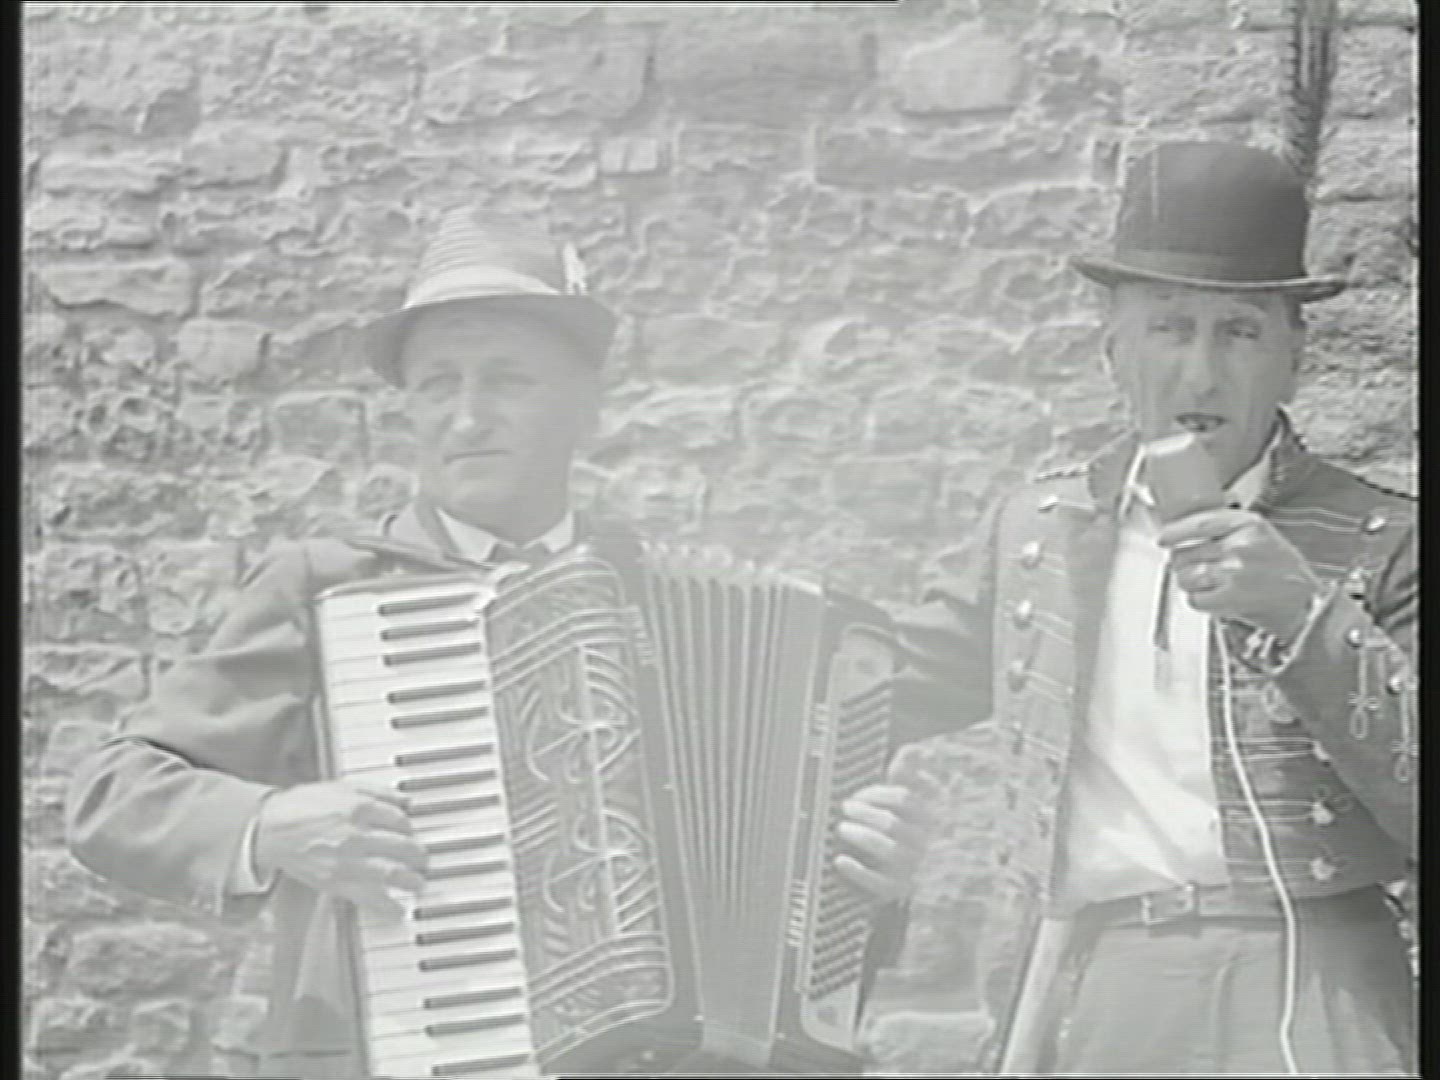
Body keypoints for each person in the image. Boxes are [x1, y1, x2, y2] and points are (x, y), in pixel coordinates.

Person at [65, 209, 933, 1079]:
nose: (468, 417)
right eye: (437, 385)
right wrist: (270, 823)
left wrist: (869, 878)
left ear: (586, 406)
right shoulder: (327, 590)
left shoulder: (662, 604)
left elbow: (772, 917)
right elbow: (113, 794)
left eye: (507, 379)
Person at [890, 142, 1417, 1076]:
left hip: (1319, 974)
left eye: (1239, 332)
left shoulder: (1385, 539)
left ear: (1295, 358)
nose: (1201, 375)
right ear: (1114, 351)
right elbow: (879, 680)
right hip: (1104, 977)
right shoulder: (1041, 533)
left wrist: (1305, 616)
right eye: (1170, 328)